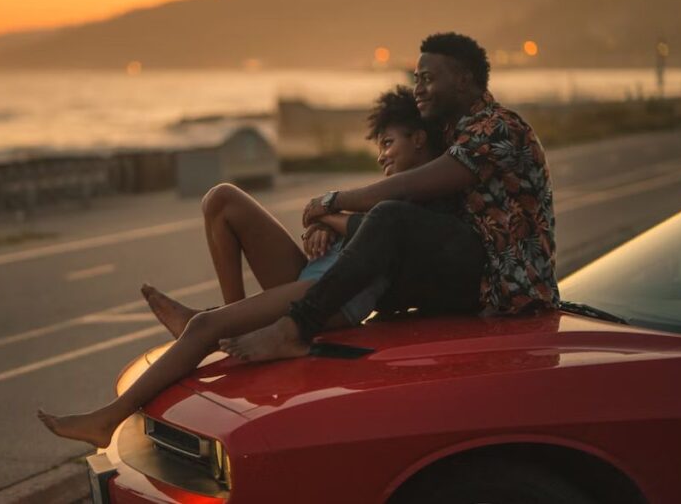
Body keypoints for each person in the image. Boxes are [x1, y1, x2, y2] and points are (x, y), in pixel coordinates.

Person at [38, 86, 448, 448]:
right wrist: (325, 224)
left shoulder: (426, 196)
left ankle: (108, 418)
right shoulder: (390, 191)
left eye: (388, 144)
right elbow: (349, 221)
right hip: (312, 277)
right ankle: (231, 318)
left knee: (202, 329)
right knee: (222, 199)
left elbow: (374, 229)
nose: (382, 157)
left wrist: (327, 216)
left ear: (418, 138)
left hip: (332, 299)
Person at [220, 31, 558, 362]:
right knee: (377, 247)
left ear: (462, 79)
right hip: (467, 273)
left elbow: (408, 188)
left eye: (427, 79)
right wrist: (329, 225)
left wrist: (334, 202)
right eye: (416, 79)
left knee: (389, 217)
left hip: (508, 288)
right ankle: (236, 322)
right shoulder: (451, 130)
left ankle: (293, 327)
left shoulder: (498, 127)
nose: (419, 89)